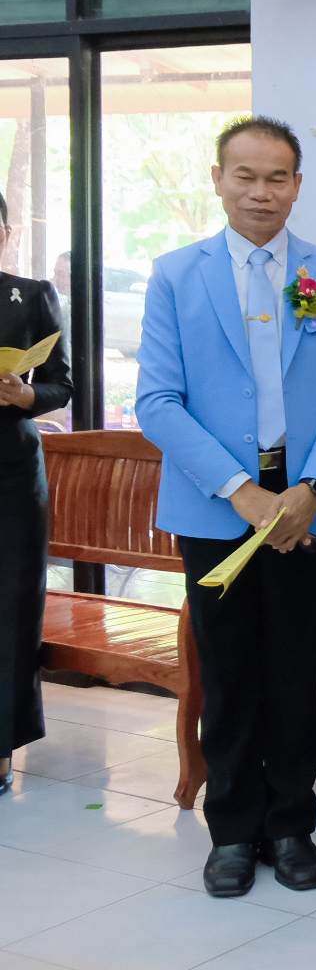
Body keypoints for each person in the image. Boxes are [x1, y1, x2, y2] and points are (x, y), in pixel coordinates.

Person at [136, 116, 316, 898]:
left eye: (277, 177)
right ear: (218, 179)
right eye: (246, 175)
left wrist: (312, 489)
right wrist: (240, 490)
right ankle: (233, 831)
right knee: (230, 670)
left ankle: (291, 826)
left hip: (305, 506)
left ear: (297, 185)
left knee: (293, 670)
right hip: (216, 506)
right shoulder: (176, 275)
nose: (261, 192)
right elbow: (158, 401)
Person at [0, 195, 72, 793]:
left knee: (11, 608)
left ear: (6, 233)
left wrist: (27, 397)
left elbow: (60, 385)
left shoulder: (31, 295)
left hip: (11, 478)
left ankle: (1, 745)